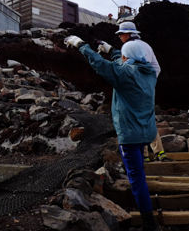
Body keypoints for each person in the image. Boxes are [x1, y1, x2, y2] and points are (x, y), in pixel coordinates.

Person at [65, 35, 158, 231]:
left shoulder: (125, 74)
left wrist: (82, 45)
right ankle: (140, 203)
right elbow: (123, 62)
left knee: (136, 177)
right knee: (138, 168)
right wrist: (112, 50)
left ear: (127, 58)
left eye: (123, 56)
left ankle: (149, 222)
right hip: (145, 132)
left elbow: (102, 65)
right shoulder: (148, 73)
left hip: (130, 134)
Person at [112, 21, 170, 162]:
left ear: (128, 34)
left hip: (134, 88)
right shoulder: (146, 45)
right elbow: (157, 67)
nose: (120, 37)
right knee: (147, 117)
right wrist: (149, 82)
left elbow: (124, 67)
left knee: (135, 120)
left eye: (121, 34)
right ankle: (159, 152)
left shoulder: (128, 47)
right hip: (147, 88)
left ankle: (144, 155)